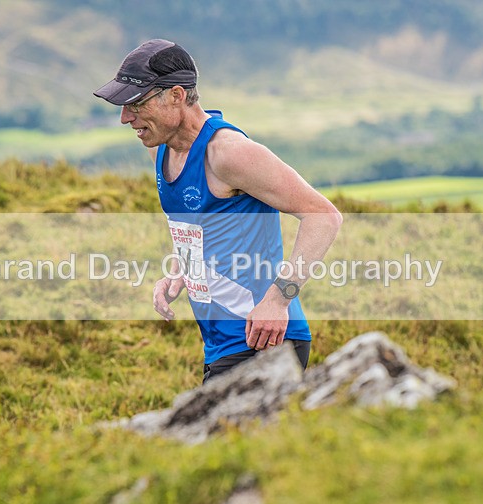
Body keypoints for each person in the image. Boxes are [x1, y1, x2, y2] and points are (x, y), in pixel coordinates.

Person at [94, 39, 342, 383]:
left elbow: (323, 216)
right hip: (221, 344)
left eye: (136, 103)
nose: (125, 117)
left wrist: (278, 300)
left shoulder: (228, 153)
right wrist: (184, 269)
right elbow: (204, 225)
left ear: (177, 96)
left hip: (263, 337)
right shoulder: (161, 149)